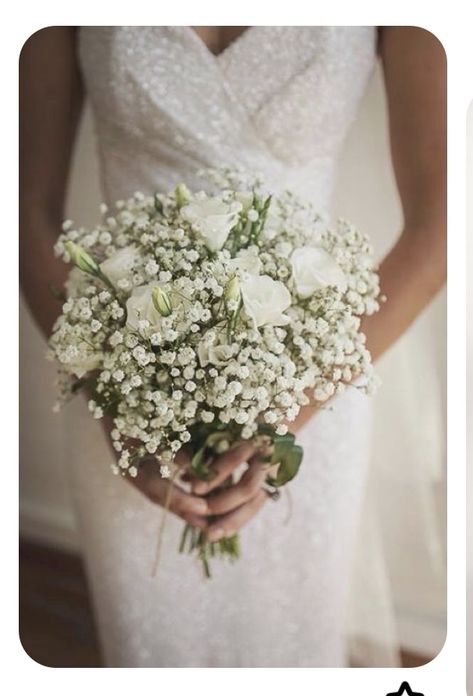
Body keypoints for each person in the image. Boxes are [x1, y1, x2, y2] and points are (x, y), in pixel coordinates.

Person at [19, 26, 446, 667]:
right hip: (124, 382)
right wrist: (116, 399)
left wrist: (286, 416)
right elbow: (22, 207)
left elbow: (444, 223)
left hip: (314, 394)